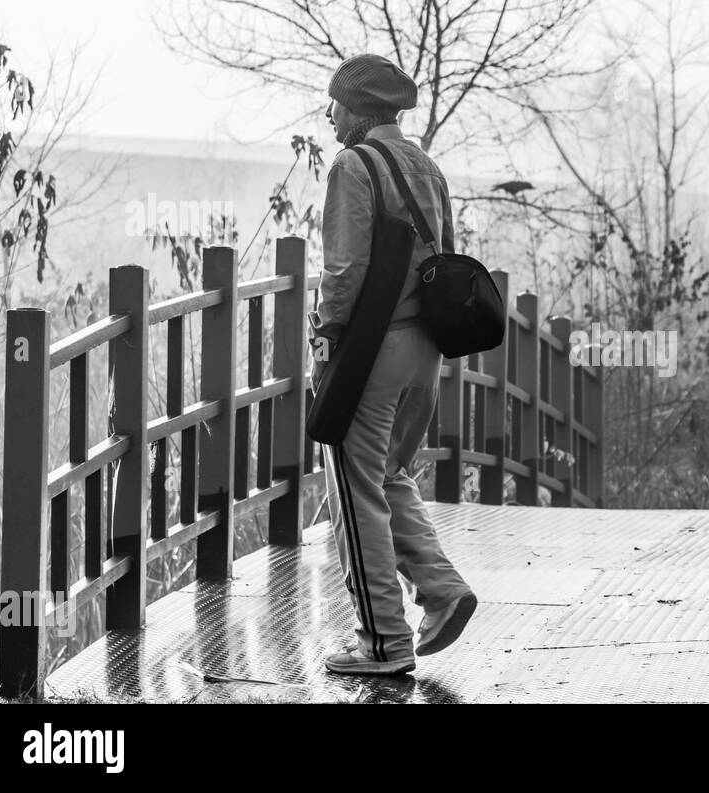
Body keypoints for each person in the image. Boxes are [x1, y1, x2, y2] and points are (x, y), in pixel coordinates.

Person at [309, 53, 478, 675]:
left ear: (356, 111)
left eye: (334, 106)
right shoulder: (427, 167)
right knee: (387, 474)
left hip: (373, 349)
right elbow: (448, 257)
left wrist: (326, 335)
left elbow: (345, 269)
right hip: (425, 349)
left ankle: (382, 641)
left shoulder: (353, 166)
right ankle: (441, 591)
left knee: (356, 496)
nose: (329, 119)